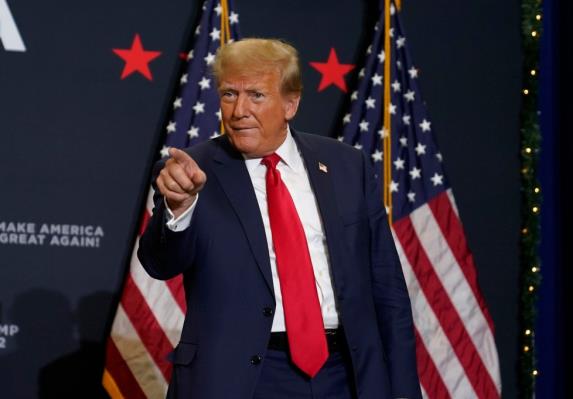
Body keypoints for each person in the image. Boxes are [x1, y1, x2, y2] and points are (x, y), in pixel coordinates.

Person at [138, 38, 422, 399]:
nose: (239, 110)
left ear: (291, 103)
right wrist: (179, 208)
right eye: (229, 94)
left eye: (256, 95)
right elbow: (160, 263)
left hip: (345, 375)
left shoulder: (347, 166)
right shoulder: (190, 171)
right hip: (243, 381)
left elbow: (388, 290)